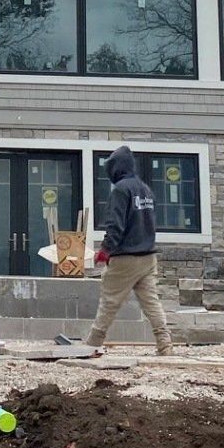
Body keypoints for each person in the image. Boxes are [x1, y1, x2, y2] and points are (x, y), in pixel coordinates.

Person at [83, 146, 173, 356]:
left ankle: (93, 342)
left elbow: (115, 224)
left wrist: (105, 250)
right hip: (148, 257)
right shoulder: (145, 190)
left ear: (116, 169)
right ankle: (164, 342)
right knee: (151, 301)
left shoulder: (121, 191)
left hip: (126, 257)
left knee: (109, 300)